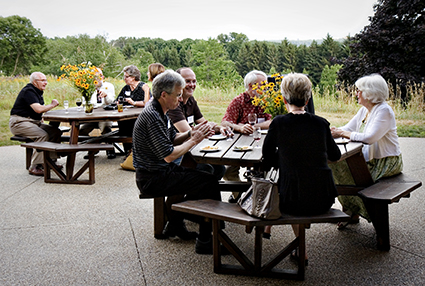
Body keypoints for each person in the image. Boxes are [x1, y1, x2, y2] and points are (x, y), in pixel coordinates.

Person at [133, 70, 222, 254]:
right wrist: (194, 140)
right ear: (164, 95)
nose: (181, 99)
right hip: (152, 178)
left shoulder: (160, 110)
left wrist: (192, 133)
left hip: (161, 172)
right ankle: (206, 239)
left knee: (207, 175)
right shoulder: (152, 115)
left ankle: (177, 223)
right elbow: (169, 155)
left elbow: (173, 138)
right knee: (208, 182)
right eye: (178, 95)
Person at [262, 73, 341, 264]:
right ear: (307, 99)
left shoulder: (279, 123)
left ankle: (301, 249)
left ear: (283, 99)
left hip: (292, 199)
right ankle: (300, 250)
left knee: (292, 192)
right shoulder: (321, 124)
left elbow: (267, 157)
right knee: (300, 188)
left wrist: (285, 159)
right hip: (324, 197)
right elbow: (335, 156)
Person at [330, 73, 403, 229]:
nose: (356, 93)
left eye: (359, 91)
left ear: (370, 93)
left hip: (385, 163)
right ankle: (352, 211)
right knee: (336, 167)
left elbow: (369, 137)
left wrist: (341, 133)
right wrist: (332, 131)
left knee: (356, 180)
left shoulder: (384, 111)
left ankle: (362, 214)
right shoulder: (365, 110)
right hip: (369, 161)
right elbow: (348, 128)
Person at [221, 70, 272, 201]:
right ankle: (241, 198)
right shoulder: (239, 101)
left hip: (263, 144)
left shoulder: (267, 101)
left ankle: (261, 199)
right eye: (263, 85)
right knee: (228, 172)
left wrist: (255, 127)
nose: (266, 88)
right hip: (239, 145)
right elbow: (225, 122)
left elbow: (273, 121)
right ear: (251, 86)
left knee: (267, 170)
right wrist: (240, 127)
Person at [167, 67, 226, 179]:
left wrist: (220, 128)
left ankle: (203, 195)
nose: (192, 85)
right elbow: (189, 132)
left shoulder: (190, 100)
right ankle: (198, 195)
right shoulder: (173, 105)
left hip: (191, 151)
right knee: (206, 170)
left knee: (220, 168)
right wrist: (206, 128)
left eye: (194, 81)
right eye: (187, 81)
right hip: (179, 155)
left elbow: (203, 123)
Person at [9, 72, 62, 176]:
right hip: (19, 123)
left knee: (55, 132)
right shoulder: (29, 91)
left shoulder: (37, 91)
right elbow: (38, 109)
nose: (45, 83)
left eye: (46, 80)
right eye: (42, 80)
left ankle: (50, 161)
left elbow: (37, 110)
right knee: (42, 135)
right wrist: (52, 105)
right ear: (34, 82)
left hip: (32, 122)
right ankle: (35, 166)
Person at [79, 68, 116, 159]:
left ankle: (110, 149)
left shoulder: (109, 86)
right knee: (81, 131)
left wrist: (106, 96)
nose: (95, 80)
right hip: (93, 116)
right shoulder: (88, 87)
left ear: (102, 77)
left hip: (105, 115)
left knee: (105, 127)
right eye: (92, 78)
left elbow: (112, 102)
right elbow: (85, 102)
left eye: (97, 77)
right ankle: (93, 147)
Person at [114, 65, 147, 156]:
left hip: (138, 117)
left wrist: (134, 103)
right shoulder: (126, 88)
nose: (125, 78)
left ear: (133, 77)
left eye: (127, 76)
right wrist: (117, 102)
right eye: (124, 76)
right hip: (125, 116)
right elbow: (118, 99)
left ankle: (135, 152)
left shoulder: (143, 87)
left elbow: (147, 102)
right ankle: (128, 152)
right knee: (122, 122)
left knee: (131, 125)